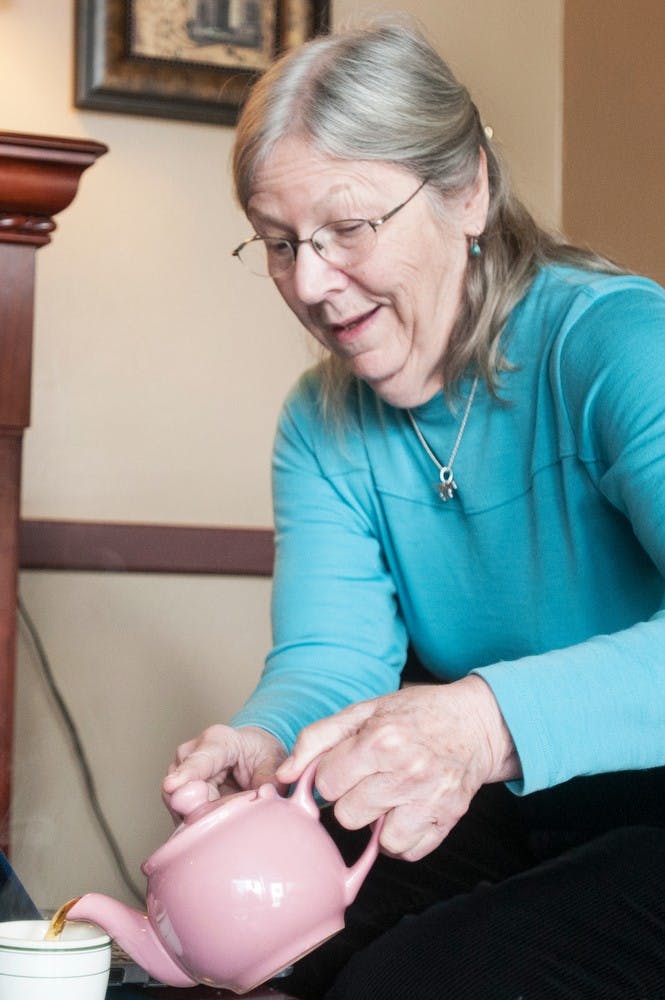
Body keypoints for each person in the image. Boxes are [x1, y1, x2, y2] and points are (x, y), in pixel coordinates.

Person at [162, 15, 665, 999]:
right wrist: (262, 739)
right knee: (269, 939)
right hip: (520, 798)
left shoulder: (615, 348)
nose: (309, 284)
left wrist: (480, 723)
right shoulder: (320, 421)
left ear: (467, 189)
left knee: (420, 979)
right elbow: (331, 658)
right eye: (277, 244)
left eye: (347, 227)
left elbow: (474, 726)